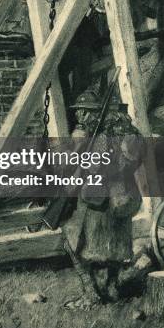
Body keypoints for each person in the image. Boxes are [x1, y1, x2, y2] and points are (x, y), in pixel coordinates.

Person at [63, 88, 144, 307]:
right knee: (115, 249)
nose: (80, 116)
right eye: (79, 111)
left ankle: (91, 294)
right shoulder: (126, 131)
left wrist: (77, 149)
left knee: (73, 244)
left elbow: (94, 166)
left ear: (96, 113)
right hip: (123, 198)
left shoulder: (98, 136)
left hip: (100, 201)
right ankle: (112, 287)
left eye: (85, 112)